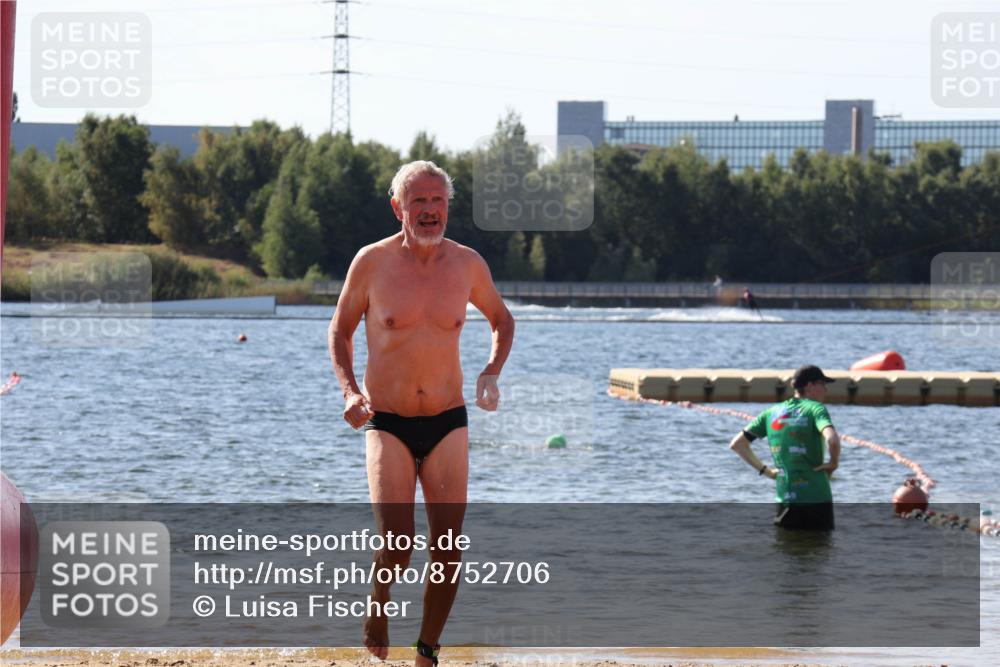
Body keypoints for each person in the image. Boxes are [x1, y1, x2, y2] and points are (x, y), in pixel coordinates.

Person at [328, 160, 515, 666]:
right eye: (419, 201)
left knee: (448, 548)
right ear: (398, 208)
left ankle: (427, 651)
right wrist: (349, 391)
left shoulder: (467, 265)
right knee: (398, 544)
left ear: (448, 206)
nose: (430, 210)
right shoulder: (371, 263)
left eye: (438, 201)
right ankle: (379, 599)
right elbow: (340, 330)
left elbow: (502, 320)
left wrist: (491, 371)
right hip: (386, 419)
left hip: (447, 418)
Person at [728, 365, 841, 530]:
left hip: (785, 500)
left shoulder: (771, 412)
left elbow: (737, 444)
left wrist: (767, 471)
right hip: (816, 499)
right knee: (819, 545)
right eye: (822, 384)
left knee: (786, 545)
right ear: (809, 386)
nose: (826, 389)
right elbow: (833, 439)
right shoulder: (816, 408)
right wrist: (833, 463)